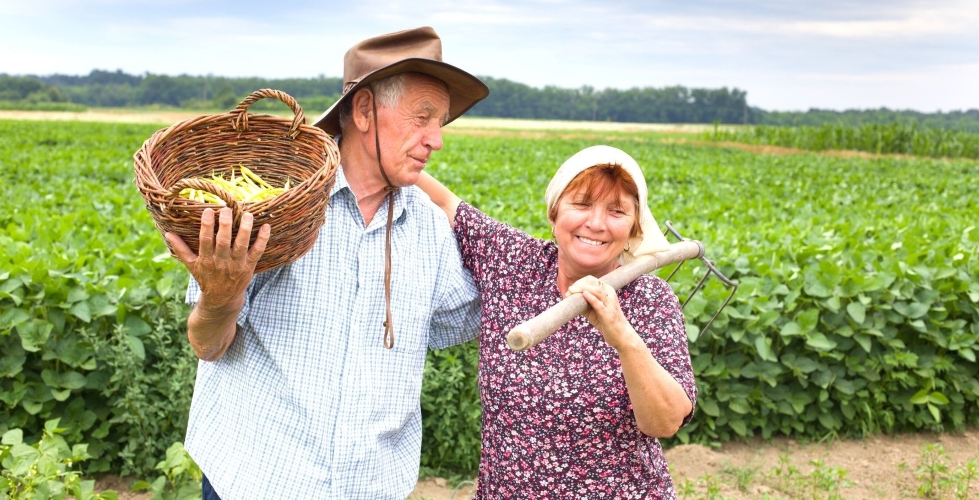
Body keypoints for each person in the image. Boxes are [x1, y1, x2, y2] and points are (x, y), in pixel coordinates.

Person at [163, 26, 489, 499]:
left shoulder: (427, 228)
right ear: (363, 111)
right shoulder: (276, 208)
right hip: (260, 482)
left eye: (441, 121)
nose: (435, 140)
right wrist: (220, 296)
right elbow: (207, 344)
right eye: (422, 118)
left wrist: (567, 268)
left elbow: (469, 316)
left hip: (371, 487)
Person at [416, 145, 697, 498]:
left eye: (616, 211)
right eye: (581, 204)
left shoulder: (649, 301)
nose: (596, 223)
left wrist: (623, 338)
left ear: (633, 227)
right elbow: (442, 202)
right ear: (553, 213)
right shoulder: (514, 263)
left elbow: (665, 421)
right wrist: (350, 137)